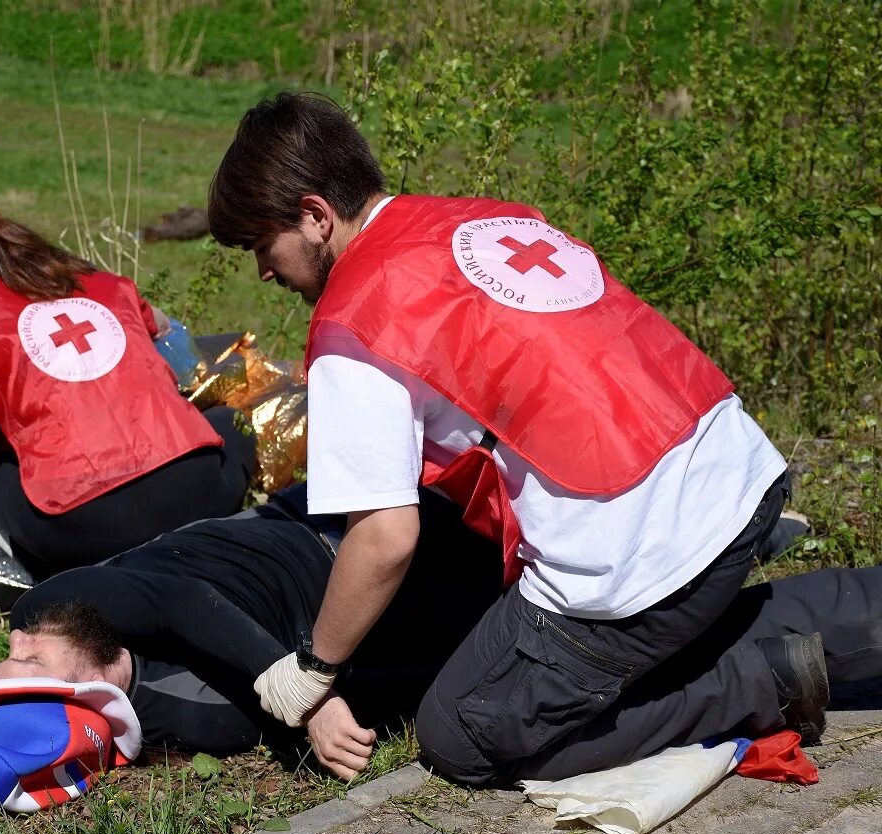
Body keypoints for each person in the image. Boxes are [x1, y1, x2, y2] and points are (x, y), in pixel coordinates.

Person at [204, 91, 820, 786]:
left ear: (315, 216)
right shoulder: (479, 216)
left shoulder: (356, 319)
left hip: (644, 545)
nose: (262, 271)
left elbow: (384, 536)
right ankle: (812, 625)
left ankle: (754, 679)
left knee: (464, 729)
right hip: (734, 465)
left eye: (262, 245)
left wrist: (316, 665)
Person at [0, 485, 882, 781]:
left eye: (30, 671)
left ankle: (715, 538)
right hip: (358, 627)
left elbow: (186, 605)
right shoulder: (160, 717)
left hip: (328, 545)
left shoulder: (60, 603)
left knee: (523, 559)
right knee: (498, 654)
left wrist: (294, 688)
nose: (39, 668)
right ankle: (727, 574)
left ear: (24, 647)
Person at [0, 210, 255, 609]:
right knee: (231, 422)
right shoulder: (104, 285)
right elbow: (165, 328)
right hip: (195, 488)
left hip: (86, 525)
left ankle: (31, 583)